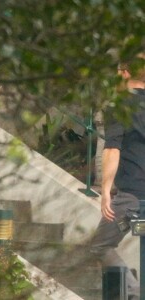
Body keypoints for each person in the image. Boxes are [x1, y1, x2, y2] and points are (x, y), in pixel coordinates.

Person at [90, 61, 145, 300]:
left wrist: (105, 190)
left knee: (100, 245)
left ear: (124, 72)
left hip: (133, 195)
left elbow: (113, 148)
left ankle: (132, 293)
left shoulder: (119, 103)